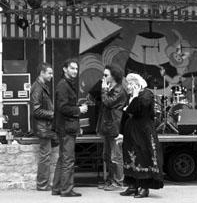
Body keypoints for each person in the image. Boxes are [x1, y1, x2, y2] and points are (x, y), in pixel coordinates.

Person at [118, 73, 164, 198]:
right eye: (128, 84)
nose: (128, 86)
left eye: (131, 83)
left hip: (143, 131)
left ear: (137, 83)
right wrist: (121, 132)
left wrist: (135, 96)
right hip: (131, 131)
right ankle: (133, 185)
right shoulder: (132, 96)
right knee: (130, 155)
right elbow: (126, 114)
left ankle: (144, 187)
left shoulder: (146, 94)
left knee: (143, 156)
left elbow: (138, 108)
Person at [52, 58, 88, 197]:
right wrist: (79, 110)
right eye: (72, 68)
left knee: (63, 158)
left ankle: (57, 188)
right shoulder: (63, 85)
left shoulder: (65, 84)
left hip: (65, 126)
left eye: (76, 69)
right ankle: (66, 190)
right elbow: (63, 107)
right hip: (66, 127)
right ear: (65, 69)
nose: (75, 71)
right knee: (68, 159)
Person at [96, 65, 128, 191]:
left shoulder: (119, 90)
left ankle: (118, 182)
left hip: (115, 126)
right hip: (108, 126)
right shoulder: (112, 88)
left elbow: (108, 102)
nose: (103, 78)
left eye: (105, 75)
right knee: (107, 155)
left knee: (116, 156)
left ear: (113, 76)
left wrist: (104, 90)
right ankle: (110, 180)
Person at [30, 62, 57, 191]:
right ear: (42, 72)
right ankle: (42, 184)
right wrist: (53, 114)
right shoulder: (38, 88)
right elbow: (36, 110)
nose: (52, 75)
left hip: (45, 127)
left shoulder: (41, 86)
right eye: (49, 73)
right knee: (45, 156)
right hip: (44, 128)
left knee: (47, 155)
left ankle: (46, 183)